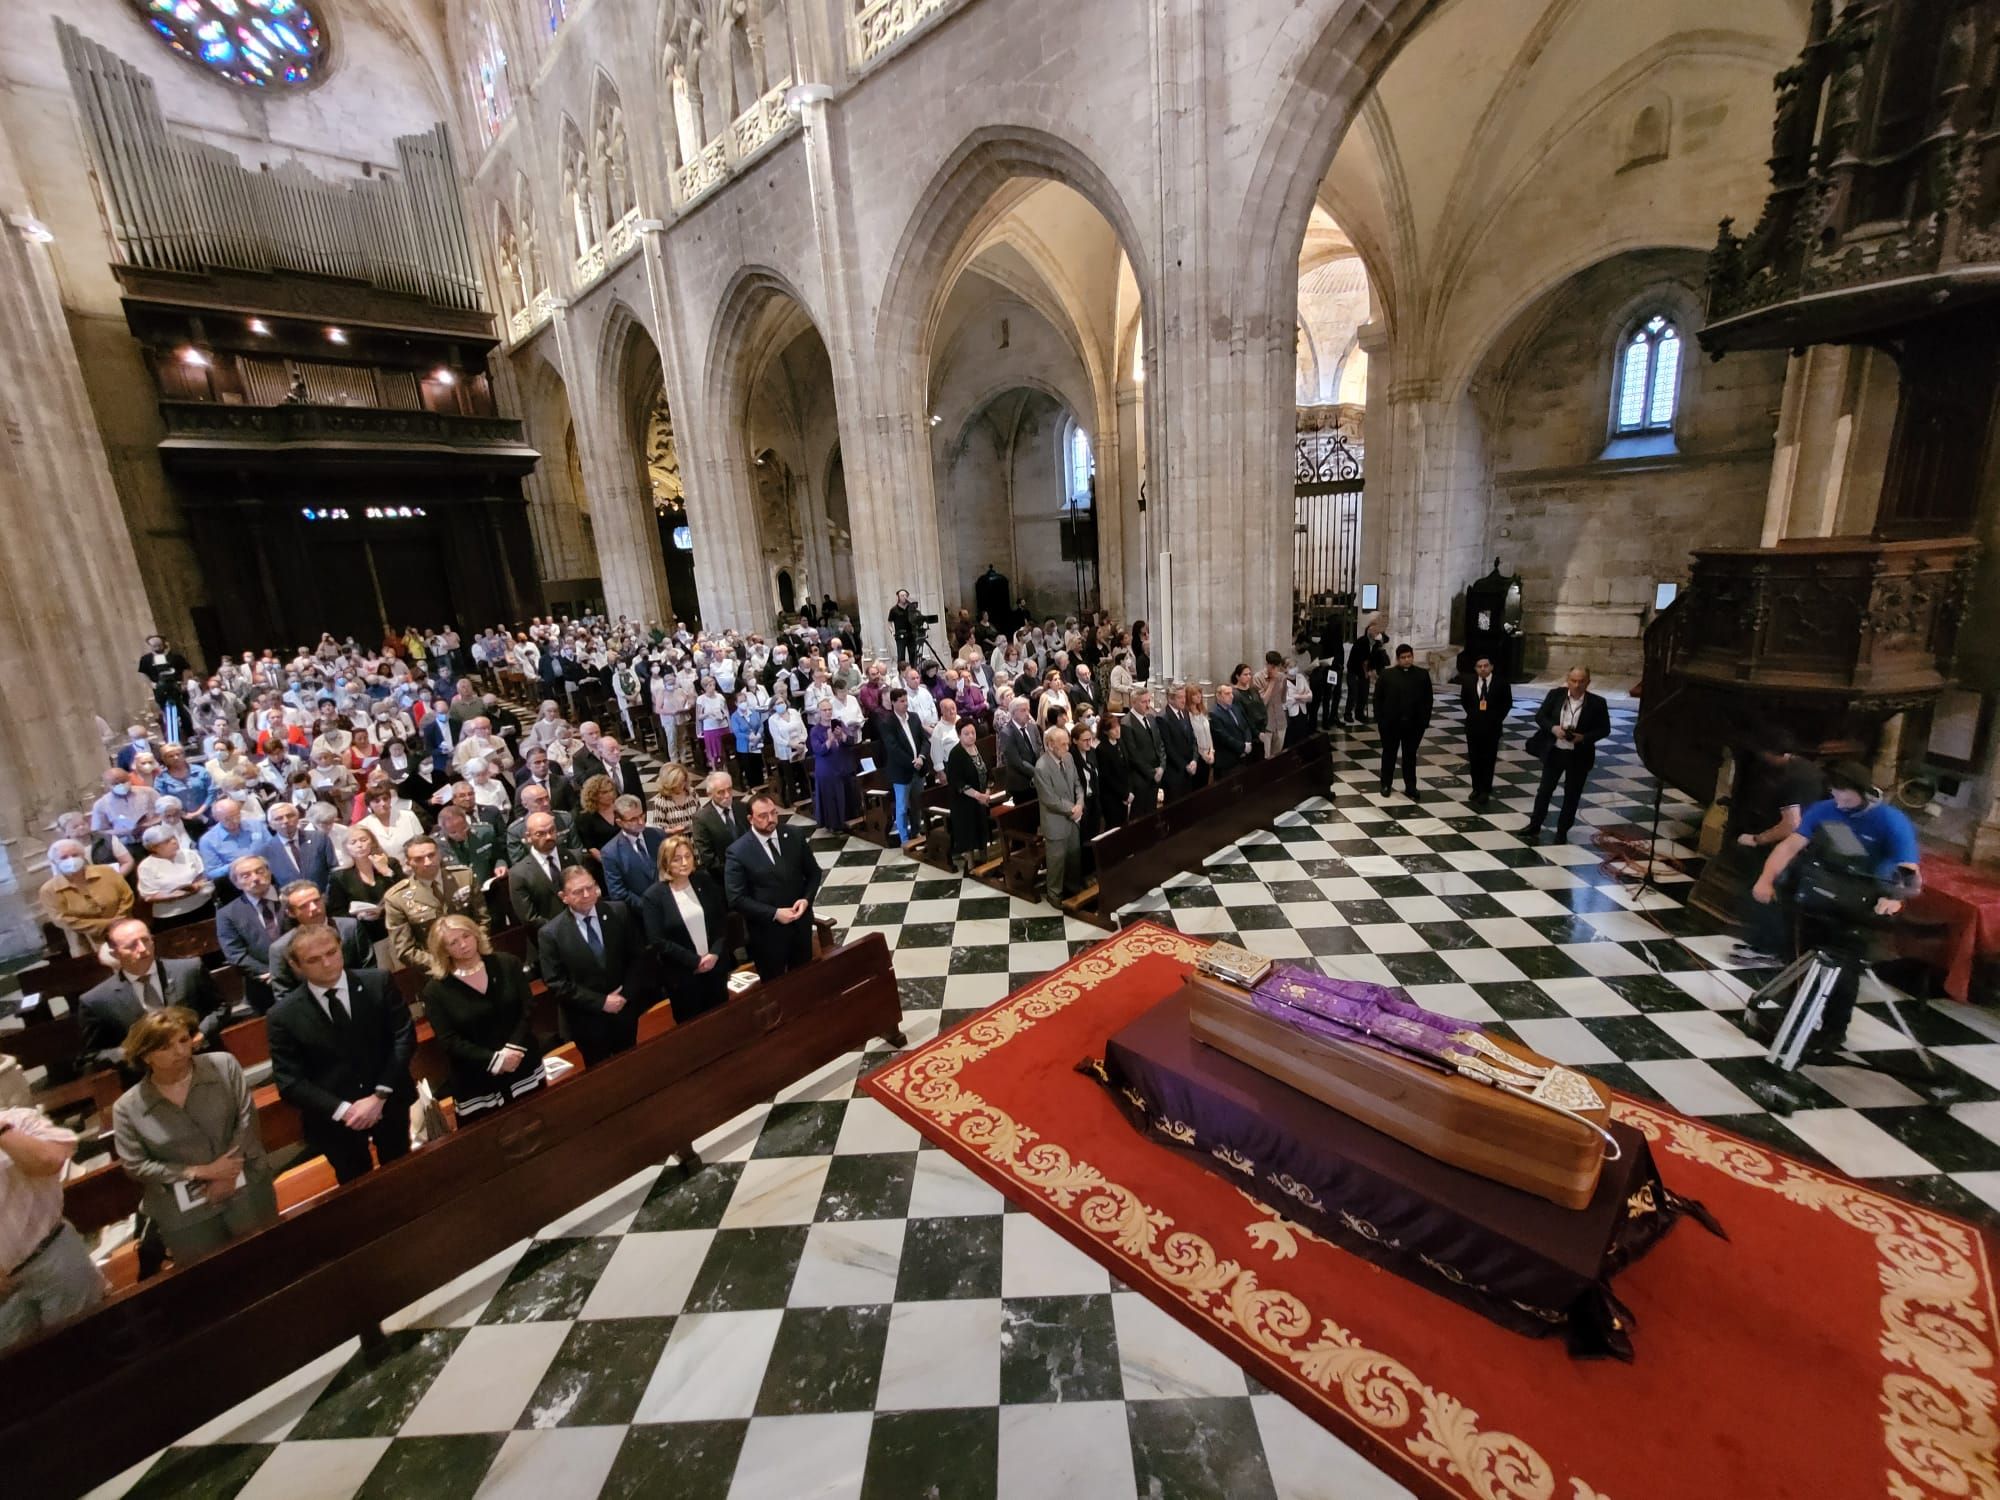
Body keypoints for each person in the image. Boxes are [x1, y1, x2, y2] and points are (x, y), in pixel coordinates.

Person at [1746, 761, 1923, 1053]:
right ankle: (1795, 1016)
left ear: (1864, 791)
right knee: (1800, 960)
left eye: (1847, 795)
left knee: (1843, 971)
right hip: (1820, 895)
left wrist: (1895, 898)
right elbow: (1789, 846)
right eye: (1836, 792)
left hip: (1863, 903)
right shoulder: (1826, 811)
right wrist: (1766, 880)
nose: (1840, 800)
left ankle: (1833, 1030)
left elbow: (1907, 867)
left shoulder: (1889, 820)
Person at [112, 1008, 277, 1265]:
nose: (180, 1052)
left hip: (245, 1186)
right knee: (212, 1277)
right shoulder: (127, 1107)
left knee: (269, 1259)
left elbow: (246, 1121)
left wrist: (226, 1173)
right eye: (166, 1047)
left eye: (184, 1040)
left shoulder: (222, 1065)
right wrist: (200, 1172)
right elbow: (136, 1165)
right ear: (145, 1055)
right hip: (185, 1211)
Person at [267, 924, 416, 1184]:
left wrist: (380, 1094)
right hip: (333, 1119)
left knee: (403, 1173)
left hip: (388, 1100)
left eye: (331, 952)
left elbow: (403, 1037)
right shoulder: (283, 1015)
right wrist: (345, 1111)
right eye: (313, 960)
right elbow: (290, 1081)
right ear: (296, 966)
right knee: (356, 1186)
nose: (327, 963)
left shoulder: (377, 982)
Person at [0, 1104, 105, 1352]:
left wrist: (3, 1132)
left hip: (53, 1257)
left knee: (88, 1349)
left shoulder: (19, 1120)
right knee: (23, 1376)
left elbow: (49, 1160)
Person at [422, 915, 546, 1118]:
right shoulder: (435, 991)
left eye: (466, 936)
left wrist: (512, 1049)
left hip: (522, 1062)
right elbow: (449, 1041)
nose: (463, 945)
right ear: (443, 950)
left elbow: (528, 1009)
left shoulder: (507, 963)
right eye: (453, 942)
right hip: (477, 1079)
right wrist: (494, 1060)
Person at [79, 918, 227, 1078]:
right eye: (131, 946)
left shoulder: (189, 970)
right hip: (146, 1079)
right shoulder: (97, 1000)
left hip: (201, 1064)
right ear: (115, 954)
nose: (142, 949)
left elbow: (221, 1007)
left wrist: (202, 1033)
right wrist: (134, 1053)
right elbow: (93, 1054)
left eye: (145, 940)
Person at [540, 867, 646, 1064]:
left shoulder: (618, 911)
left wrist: (624, 996)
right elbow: (556, 983)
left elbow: (638, 957)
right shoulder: (551, 934)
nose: (587, 895)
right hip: (587, 1021)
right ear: (564, 897)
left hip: (624, 1011)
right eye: (578, 891)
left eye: (590, 887)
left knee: (632, 1065)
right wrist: (601, 1002)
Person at [724, 792, 823, 981]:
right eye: (763, 816)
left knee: (804, 980)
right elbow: (736, 898)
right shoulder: (738, 851)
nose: (770, 819)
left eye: (773, 813)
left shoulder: (794, 835)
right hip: (767, 934)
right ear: (750, 819)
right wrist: (775, 913)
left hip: (800, 926)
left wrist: (806, 899)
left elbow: (814, 872)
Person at [640, 837, 731, 1023]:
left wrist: (714, 954)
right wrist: (695, 961)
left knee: (723, 1021)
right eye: (676, 859)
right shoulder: (653, 897)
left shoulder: (704, 881)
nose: (684, 863)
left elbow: (721, 920)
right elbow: (658, 941)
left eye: (687, 856)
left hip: (715, 968)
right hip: (683, 977)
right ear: (665, 863)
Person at [1525, 666, 1611, 842]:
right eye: (1573, 680)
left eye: (1581, 681)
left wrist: (1584, 737)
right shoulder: (1555, 695)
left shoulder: (1597, 703)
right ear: (1567, 679)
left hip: (1579, 755)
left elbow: (1604, 729)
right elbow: (1540, 716)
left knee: (1572, 794)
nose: (1577, 685)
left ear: (1588, 682)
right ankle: (1535, 825)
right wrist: (1553, 728)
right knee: (1544, 790)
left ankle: (1562, 831)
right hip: (1555, 751)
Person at [384, 836, 488, 971]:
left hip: (476, 958)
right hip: (436, 969)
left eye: (431, 855)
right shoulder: (397, 899)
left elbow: (483, 920)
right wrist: (444, 965)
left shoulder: (463, 877)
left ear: (439, 854)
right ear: (408, 863)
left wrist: (473, 950)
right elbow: (405, 950)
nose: (427, 862)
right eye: (419, 859)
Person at [268, 880, 372, 991]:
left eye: (316, 901)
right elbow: (284, 994)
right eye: (304, 906)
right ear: (291, 913)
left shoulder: (350, 928)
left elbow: (369, 969)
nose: (313, 908)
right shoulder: (281, 948)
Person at [38, 838, 134, 955]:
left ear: (83, 856)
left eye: (75, 855)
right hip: (85, 942)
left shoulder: (107, 872)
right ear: (54, 862)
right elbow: (62, 919)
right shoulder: (48, 890)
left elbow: (126, 895)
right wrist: (108, 924)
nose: (71, 860)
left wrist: (119, 920)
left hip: (125, 930)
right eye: (64, 857)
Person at [506, 811, 577, 961]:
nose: (549, 837)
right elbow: (530, 918)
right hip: (551, 947)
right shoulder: (519, 873)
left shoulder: (572, 857)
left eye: (552, 831)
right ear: (527, 837)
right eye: (540, 834)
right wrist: (567, 931)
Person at [216, 854, 283, 1012]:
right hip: (264, 985)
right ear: (237, 883)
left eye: (259, 871)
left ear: (269, 872)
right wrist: (270, 973)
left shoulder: (289, 897)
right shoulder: (227, 914)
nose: (255, 878)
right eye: (245, 876)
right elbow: (235, 954)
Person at [1374, 644, 1433, 802]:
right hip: (1391, 724)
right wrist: (1380, 721)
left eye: (1409, 657)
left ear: (1412, 657)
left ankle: (1410, 786)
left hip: (1414, 725)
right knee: (1389, 755)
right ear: (1397, 659)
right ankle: (1386, 784)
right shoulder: (1387, 675)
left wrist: (1424, 721)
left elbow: (1428, 700)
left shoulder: (1422, 675)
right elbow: (1378, 699)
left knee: (1410, 756)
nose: (1407, 660)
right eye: (1403, 657)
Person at [328, 825, 400, 953]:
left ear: (372, 842)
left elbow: (405, 894)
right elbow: (337, 912)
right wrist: (359, 916)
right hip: (367, 937)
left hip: (397, 930)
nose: (359, 845)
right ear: (346, 848)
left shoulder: (391, 864)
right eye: (353, 842)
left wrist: (386, 872)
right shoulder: (339, 876)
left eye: (363, 840)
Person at [1034, 725, 1085, 906]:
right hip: (1056, 821)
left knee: (1073, 856)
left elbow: (1078, 784)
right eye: (1062, 744)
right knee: (1056, 861)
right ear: (1050, 745)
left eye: (1067, 743)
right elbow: (1050, 799)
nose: (1067, 747)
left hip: (1073, 818)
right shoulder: (1041, 767)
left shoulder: (1069, 758)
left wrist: (1080, 803)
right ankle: (1054, 894)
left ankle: (1073, 889)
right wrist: (1073, 809)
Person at [1460, 655, 1513, 807]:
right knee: (1474, 759)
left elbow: (1507, 703)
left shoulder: (1501, 683)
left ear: (1491, 667)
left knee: (1488, 760)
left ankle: (1485, 789)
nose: (1483, 668)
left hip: (1492, 727)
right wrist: (1474, 714)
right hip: (1473, 727)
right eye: (1479, 666)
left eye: (1485, 665)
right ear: (1475, 668)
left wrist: (1496, 719)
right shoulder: (1469, 682)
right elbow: (1465, 701)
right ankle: (1476, 787)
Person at [135, 822, 213, 923]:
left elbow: (202, 875)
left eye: (174, 838)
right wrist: (175, 895)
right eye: (167, 841)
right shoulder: (146, 866)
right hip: (171, 916)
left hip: (202, 906)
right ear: (154, 847)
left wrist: (197, 885)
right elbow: (148, 896)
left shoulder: (189, 854)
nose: (174, 842)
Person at [945, 719, 996, 873]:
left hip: (981, 799)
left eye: (973, 733)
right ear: (959, 735)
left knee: (982, 829)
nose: (971, 736)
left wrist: (987, 792)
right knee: (969, 833)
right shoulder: (956, 754)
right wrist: (977, 795)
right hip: (964, 802)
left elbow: (988, 771)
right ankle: (971, 865)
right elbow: (957, 782)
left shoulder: (978, 747)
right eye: (966, 734)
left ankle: (985, 862)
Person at [880, 688, 929, 845]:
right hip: (901, 771)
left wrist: (921, 757)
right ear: (893, 703)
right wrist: (911, 762)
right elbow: (893, 748)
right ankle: (904, 839)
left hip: (918, 769)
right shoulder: (887, 722)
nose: (905, 704)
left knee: (917, 804)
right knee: (902, 808)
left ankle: (916, 832)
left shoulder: (914, 718)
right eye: (901, 701)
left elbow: (924, 740)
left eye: (906, 700)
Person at [258, 800, 335, 893]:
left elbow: (333, 870)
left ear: (298, 818)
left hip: (323, 897)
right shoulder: (265, 852)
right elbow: (271, 884)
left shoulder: (319, 838)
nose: (285, 821)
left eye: (290, 816)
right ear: (271, 825)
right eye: (279, 818)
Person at [602, 795, 665, 905]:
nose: (641, 822)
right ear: (619, 822)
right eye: (633, 819)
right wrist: (648, 908)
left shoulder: (658, 835)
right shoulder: (611, 852)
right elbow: (618, 892)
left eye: (642, 815)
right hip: (641, 912)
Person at [693, 772, 752, 875]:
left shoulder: (742, 808)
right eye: (721, 792)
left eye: (729, 789)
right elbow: (707, 857)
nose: (727, 795)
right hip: (725, 875)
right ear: (710, 794)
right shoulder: (701, 819)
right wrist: (734, 871)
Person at [809, 704, 857, 829]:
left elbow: (851, 741)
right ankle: (835, 825)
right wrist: (829, 740)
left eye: (830, 709)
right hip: (827, 771)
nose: (827, 712)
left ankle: (849, 821)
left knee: (847, 795)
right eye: (824, 710)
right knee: (832, 800)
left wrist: (842, 736)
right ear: (819, 712)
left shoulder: (839, 724)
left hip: (843, 766)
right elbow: (818, 750)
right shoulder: (815, 730)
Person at [998, 697, 1043, 802]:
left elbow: (1040, 748)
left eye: (1028, 710)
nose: (1027, 713)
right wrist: (1037, 773)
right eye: (1023, 710)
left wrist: (1042, 768)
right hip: (1021, 784)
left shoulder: (1033, 727)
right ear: (1013, 713)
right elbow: (1016, 761)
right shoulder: (1006, 733)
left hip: (1039, 779)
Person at [1345, 615, 1388, 726]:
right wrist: (1366, 672)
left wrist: (1370, 671)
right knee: (1353, 693)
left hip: (1366, 670)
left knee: (1364, 693)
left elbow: (1385, 640)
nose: (1375, 633)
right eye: (1374, 631)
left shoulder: (1376, 644)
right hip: (1354, 670)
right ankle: (1348, 714)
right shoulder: (1362, 641)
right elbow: (1361, 660)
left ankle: (1360, 714)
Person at [1209, 682, 1253, 778]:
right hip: (1227, 760)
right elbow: (1225, 737)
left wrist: (1248, 742)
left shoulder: (1236, 708)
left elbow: (1245, 726)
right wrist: (1242, 747)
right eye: (1227, 694)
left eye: (1231, 693)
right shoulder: (1214, 714)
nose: (1231, 696)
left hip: (1242, 757)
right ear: (1218, 696)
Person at [1186, 684, 1216, 789]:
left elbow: (1208, 734)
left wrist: (1211, 751)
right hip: (1197, 756)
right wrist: (1202, 754)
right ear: (1189, 697)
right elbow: (1193, 739)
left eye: (1200, 693)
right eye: (1195, 694)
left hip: (1208, 754)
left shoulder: (1202, 711)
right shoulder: (1187, 715)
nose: (1199, 696)